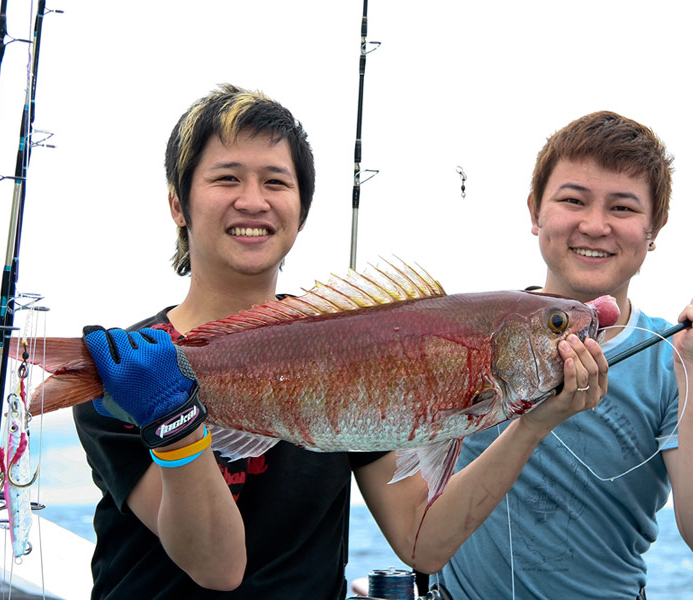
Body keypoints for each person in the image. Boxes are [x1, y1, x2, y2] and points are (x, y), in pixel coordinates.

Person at [71, 83, 612, 599]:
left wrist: (532, 423)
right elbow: (217, 565)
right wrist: (171, 416)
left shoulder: (362, 347)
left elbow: (422, 543)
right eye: (227, 178)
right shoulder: (125, 371)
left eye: (277, 182)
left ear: (301, 211)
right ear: (177, 204)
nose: (253, 201)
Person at [432, 111, 693, 599]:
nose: (595, 225)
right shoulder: (460, 338)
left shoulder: (678, 364)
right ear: (534, 211)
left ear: (655, 228)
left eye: (623, 208)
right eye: (572, 200)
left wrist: (692, 366)